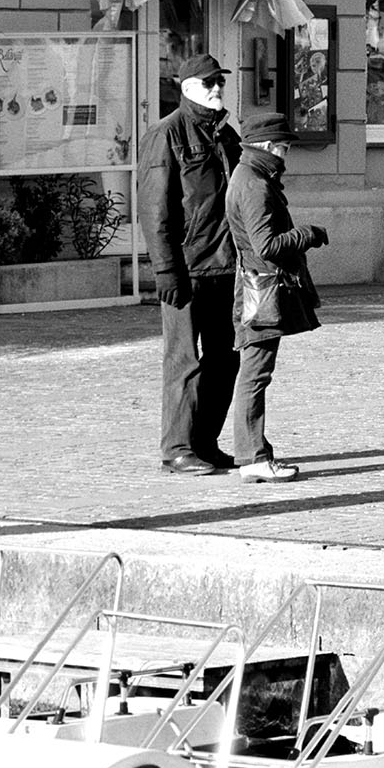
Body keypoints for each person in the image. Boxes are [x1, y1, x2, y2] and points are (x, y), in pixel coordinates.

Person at [140, 51, 241, 474]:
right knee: (183, 360)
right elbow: (154, 209)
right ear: (185, 88)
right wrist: (166, 269)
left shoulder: (227, 135)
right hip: (187, 268)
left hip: (226, 266)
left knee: (226, 357)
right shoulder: (166, 134)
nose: (217, 87)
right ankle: (177, 448)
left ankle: (205, 441)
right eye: (208, 82)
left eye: (220, 81)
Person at [225, 110, 328, 483]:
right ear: (269, 146)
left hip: (258, 287)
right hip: (261, 292)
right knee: (255, 374)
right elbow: (266, 245)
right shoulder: (254, 184)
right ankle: (252, 457)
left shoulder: (250, 175)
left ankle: (254, 453)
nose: (286, 155)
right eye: (284, 147)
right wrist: (308, 234)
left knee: (255, 373)